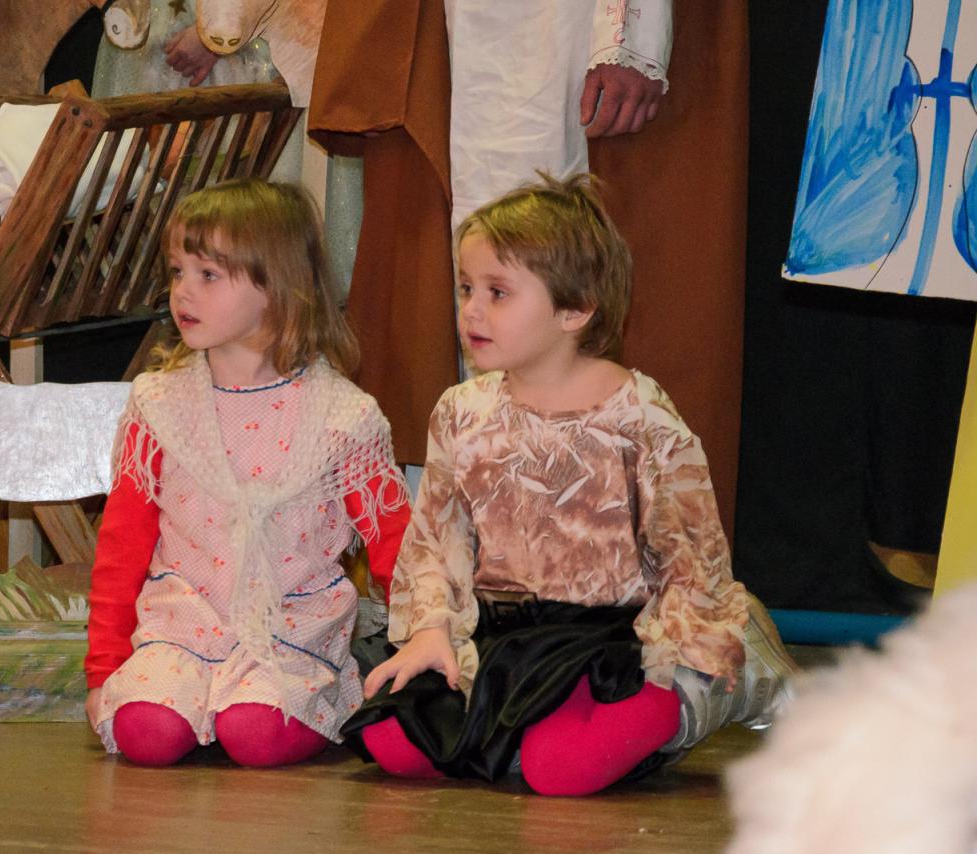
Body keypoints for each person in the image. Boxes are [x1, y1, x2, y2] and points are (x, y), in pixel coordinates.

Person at [341, 174, 795, 796]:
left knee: (562, 769)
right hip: (507, 640)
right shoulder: (461, 411)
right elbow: (436, 544)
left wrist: (690, 645)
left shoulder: (638, 413)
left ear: (575, 309)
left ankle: (732, 674)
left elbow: (688, 552)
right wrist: (431, 631)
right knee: (392, 742)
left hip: (613, 639)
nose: (471, 309)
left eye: (498, 292)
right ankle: (534, 731)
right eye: (467, 288)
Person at [84, 179, 411, 768]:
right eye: (178, 271)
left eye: (208, 275)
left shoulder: (342, 416)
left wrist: (422, 646)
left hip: (291, 635)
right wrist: (103, 671)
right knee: (144, 734)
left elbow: (396, 543)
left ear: (277, 286)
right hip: (182, 631)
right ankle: (189, 702)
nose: (183, 291)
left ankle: (302, 704)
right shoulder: (160, 405)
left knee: (254, 733)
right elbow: (122, 546)